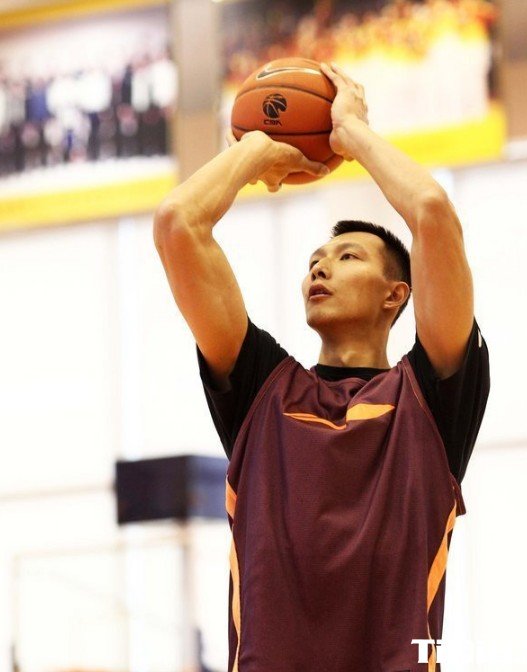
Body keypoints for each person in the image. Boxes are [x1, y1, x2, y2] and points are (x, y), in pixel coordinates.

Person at [154, 61, 490, 672]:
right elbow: (178, 224)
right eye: (315, 259)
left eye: (348, 256)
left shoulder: (432, 396)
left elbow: (432, 212)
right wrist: (256, 150)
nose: (321, 266)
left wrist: (351, 133)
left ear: (396, 295)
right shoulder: (261, 390)